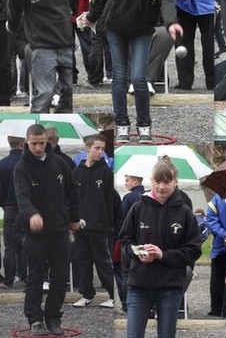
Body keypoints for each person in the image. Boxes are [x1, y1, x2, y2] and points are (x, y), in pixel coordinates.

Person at [80, 0, 184, 144]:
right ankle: (122, 125)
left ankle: (144, 125)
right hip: (116, 27)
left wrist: (171, 22)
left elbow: (167, 2)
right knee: (119, 78)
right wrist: (92, 16)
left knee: (139, 78)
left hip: (142, 30)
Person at [119, 156, 202, 337]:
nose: (162, 187)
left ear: (175, 182)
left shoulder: (185, 212)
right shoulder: (138, 208)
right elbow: (125, 241)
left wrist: (163, 255)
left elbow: (193, 250)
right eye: (158, 181)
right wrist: (137, 253)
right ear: (151, 181)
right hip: (139, 286)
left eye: (167, 181)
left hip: (169, 287)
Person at [14, 124, 81, 336]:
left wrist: (74, 219)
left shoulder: (60, 163)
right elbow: (21, 197)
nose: (38, 148)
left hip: (60, 230)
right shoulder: (21, 167)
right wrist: (32, 213)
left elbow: (72, 193)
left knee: (60, 277)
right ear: (26, 143)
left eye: (42, 143)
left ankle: (53, 318)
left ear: (48, 141)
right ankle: (34, 319)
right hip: (35, 233)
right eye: (34, 144)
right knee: (34, 277)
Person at [6, 0, 75, 113]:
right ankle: (36, 133)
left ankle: (61, 126)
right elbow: (13, 11)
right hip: (41, 45)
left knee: (67, 90)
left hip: (65, 40)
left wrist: (69, 12)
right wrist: (12, 27)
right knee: (44, 92)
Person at [71, 134, 115, 309]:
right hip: (80, 226)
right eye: (97, 148)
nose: (100, 152)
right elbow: (72, 199)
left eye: (103, 149)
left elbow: (110, 200)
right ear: (87, 148)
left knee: (102, 261)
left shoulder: (106, 172)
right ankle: (87, 294)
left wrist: (110, 224)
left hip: (99, 226)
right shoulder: (77, 171)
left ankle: (112, 294)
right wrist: (72, 220)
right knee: (83, 261)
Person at [0, 136, 26, 289]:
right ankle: (24, 277)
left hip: (9, 208)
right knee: (25, 243)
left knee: (9, 245)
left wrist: (4, 205)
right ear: (22, 144)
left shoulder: (2, 164)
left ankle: (9, 280)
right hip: (26, 209)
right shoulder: (26, 164)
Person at [205, 192, 226, 317]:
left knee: (217, 277)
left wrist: (223, 234)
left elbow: (209, 219)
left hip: (219, 245)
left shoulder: (216, 198)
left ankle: (216, 307)